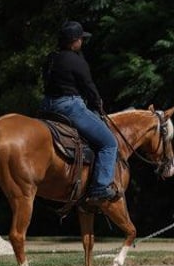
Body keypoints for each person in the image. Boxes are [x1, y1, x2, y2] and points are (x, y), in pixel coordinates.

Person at [41, 20, 120, 204]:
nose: (81, 42)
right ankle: (100, 187)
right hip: (69, 106)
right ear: (74, 41)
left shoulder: (51, 58)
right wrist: (98, 104)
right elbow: (88, 87)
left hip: (47, 107)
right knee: (109, 143)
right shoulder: (76, 60)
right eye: (80, 39)